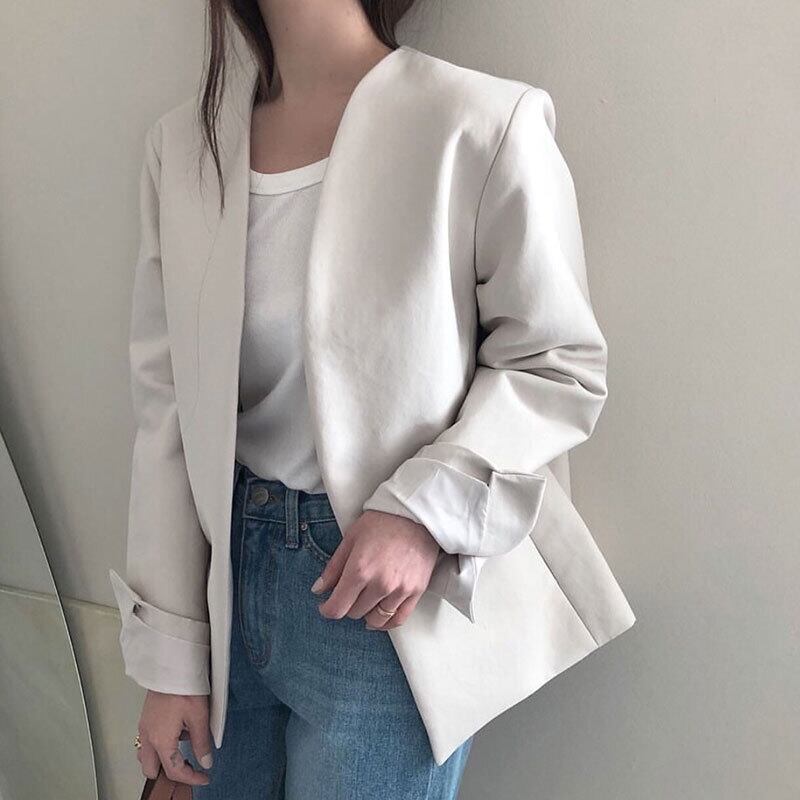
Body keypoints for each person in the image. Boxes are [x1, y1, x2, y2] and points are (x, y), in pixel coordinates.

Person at [109, 1, 637, 797]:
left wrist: (423, 510)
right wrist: (170, 659)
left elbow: (556, 362)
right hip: (221, 589)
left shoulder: (477, 121)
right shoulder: (183, 150)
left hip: (382, 611)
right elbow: (167, 409)